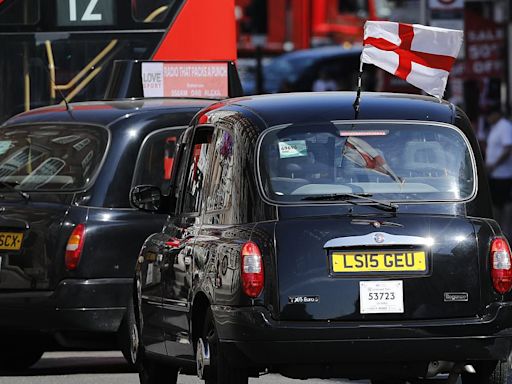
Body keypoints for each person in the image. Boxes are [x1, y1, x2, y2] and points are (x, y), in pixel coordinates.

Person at [485, 108, 512, 232]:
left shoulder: (505, 127)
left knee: (503, 204)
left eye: (489, 116)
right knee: (495, 204)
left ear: (496, 114)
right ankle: (499, 229)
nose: (488, 119)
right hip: (494, 174)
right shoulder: (495, 127)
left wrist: (495, 164)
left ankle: (505, 231)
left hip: (503, 174)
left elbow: (508, 148)